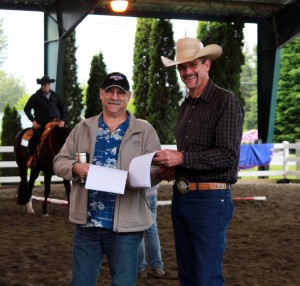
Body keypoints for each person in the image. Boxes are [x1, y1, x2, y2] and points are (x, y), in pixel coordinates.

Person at [53, 72, 162, 286]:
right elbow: (59, 161)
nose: (114, 96)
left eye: (120, 92)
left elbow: (156, 171)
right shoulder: (82, 128)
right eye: (109, 91)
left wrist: (142, 178)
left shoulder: (145, 130)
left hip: (126, 230)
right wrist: (76, 167)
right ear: (101, 94)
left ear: (128, 96)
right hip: (87, 226)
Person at [153, 37, 244, 286]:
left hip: (210, 200)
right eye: (182, 67)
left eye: (192, 65)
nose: (186, 72)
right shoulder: (186, 107)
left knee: (205, 277)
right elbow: (194, 156)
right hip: (182, 197)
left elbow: (228, 155)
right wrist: (175, 167)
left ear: (206, 64)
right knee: (189, 276)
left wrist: (181, 157)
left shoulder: (226, 101)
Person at [24, 75, 65, 167]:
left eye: (45, 84)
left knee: (63, 136)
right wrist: (33, 120)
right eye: (42, 84)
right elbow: (27, 109)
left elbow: (62, 108)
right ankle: (31, 156)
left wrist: (62, 120)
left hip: (55, 123)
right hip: (41, 124)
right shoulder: (35, 97)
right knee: (35, 137)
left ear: (49, 85)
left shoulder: (55, 96)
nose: (43, 86)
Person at [137, 184, 165, 278]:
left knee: (138, 229)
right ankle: (157, 267)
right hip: (152, 191)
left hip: (136, 193)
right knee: (152, 228)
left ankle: (140, 269)